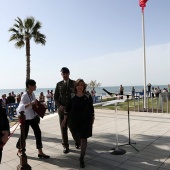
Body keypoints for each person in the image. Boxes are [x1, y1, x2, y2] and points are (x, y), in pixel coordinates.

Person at [62, 79, 95, 168]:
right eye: (78, 85)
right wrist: (64, 120)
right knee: (77, 138)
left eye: (81, 85)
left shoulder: (88, 96)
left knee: (84, 139)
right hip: (74, 121)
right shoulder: (72, 96)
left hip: (86, 121)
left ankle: (81, 158)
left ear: (84, 86)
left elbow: (91, 109)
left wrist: (92, 118)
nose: (80, 87)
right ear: (75, 86)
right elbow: (67, 109)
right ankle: (77, 142)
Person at [16, 79, 50, 158]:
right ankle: (19, 150)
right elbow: (21, 107)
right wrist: (31, 103)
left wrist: (41, 105)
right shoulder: (24, 95)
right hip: (26, 118)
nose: (35, 86)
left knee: (38, 132)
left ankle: (40, 151)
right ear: (29, 86)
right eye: (34, 85)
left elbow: (35, 105)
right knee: (24, 135)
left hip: (33, 117)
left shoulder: (33, 94)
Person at [54, 67, 80, 154]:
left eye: (66, 74)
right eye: (63, 74)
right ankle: (65, 145)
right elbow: (55, 97)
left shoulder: (74, 83)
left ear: (69, 74)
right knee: (63, 127)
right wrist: (59, 106)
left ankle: (77, 141)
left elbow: (78, 95)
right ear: (61, 74)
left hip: (71, 110)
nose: (64, 75)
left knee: (73, 127)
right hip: (62, 110)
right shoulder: (59, 84)